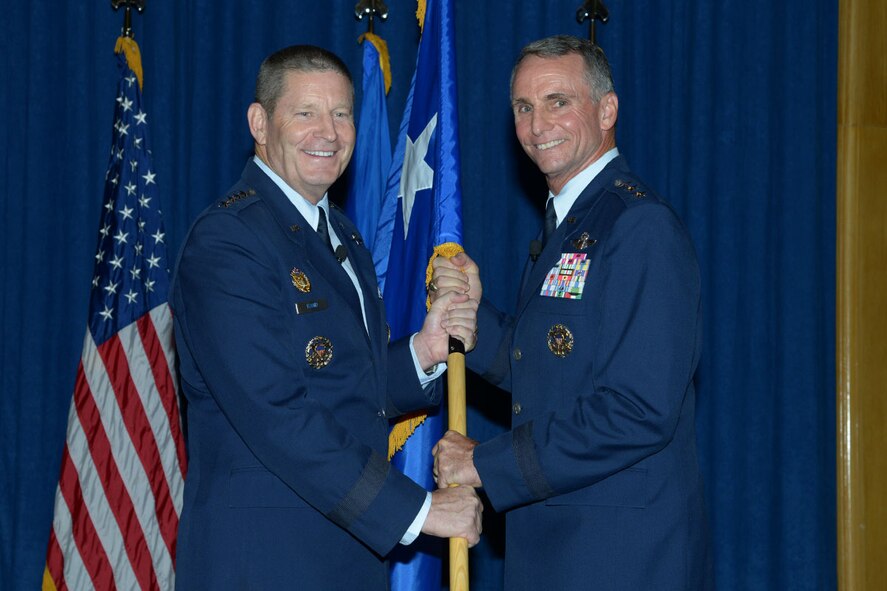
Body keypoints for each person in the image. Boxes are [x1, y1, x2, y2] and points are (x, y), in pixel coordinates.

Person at [170, 45, 482, 590]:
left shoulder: (341, 236)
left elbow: (342, 383)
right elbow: (277, 411)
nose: (329, 132)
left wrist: (423, 352)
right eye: (306, 113)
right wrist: (417, 512)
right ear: (259, 123)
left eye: (341, 114)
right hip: (265, 565)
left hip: (346, 557)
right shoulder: (228, 240)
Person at [431, 35, 713, 590]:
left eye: (558, 101)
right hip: (556, 547)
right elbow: (551, 372)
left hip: (620, 557)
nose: (539, 125)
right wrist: (472, 316)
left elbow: (636, 410)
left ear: (607, 110)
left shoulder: (638, 226)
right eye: (523, 108)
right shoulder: (570, 226)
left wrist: (485, 464)